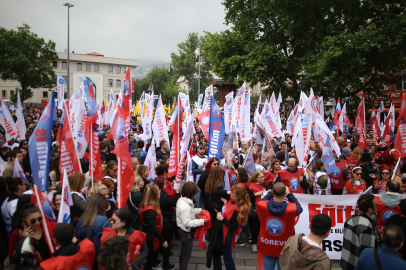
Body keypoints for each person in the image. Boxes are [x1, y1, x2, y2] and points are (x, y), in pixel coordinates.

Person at [258, 182, 303, 269]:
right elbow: (299, 208)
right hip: (284, 245)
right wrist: (289, 194)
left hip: (267, 243)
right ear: (285, 193)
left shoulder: (263, 205)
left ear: (273, 193)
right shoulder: (291, 208)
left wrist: (271, 192)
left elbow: (260, 202)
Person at [211, 184, 251, 270]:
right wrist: (229, 192)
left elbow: (233, 227)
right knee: (218, 253)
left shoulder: (238, 208)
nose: (230, 194)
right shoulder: (232, 199)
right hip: (222, 231)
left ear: (238, 196)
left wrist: (221, 219)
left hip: (228, 234)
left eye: (233, 193)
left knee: (227, 256)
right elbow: (215, 192)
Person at [341, 194, 381, 270]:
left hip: (346, 263)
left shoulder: (350, 219)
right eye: (376, 205)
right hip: (357, 265)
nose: (378, 207)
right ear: (370, 209)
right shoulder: (367, 225)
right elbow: (368, 253)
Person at [176, 182, 207, 270]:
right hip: (186, 233)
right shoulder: (186, 206)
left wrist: (200, 210)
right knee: (186, 255)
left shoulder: (182, 200)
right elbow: (187, 222)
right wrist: (202, 221)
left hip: (182, 230)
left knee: (183, 254)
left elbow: (190, 211)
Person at [139, 182, 167, 270]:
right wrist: (162, 241)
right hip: (151, 238)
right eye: (158, 190)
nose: (160, 191)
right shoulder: (150, 210)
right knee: (150, 259)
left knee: (152, 258)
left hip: (152, 237)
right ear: (154, 194)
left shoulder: (149, 205)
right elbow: (152, 228)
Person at [154, 176, 179, 270]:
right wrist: (177, 193)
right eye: (164, 183)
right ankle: (166, 265)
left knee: (159, 242)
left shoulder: (155, 195)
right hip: (166, 223)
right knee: (166, 243)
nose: (166, 184)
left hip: (159, 221)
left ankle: (155, 262)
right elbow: (175, 203)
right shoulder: (164, 196)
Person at [246, 171, 269, 253]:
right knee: (255, 228)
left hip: (263, 209)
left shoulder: (264, 186)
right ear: (256, 178)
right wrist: (257, 194)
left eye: (263, 176)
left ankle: (260, 243)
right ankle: (254, 244)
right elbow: (247, 197)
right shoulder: (251, 185)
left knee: (261, 227)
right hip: (255, 209)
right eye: (261, 177)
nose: (263, 178)